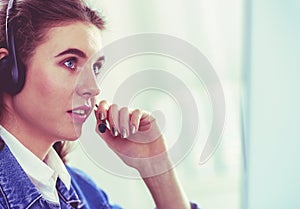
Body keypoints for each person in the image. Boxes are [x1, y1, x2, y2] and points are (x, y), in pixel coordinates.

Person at [0, 0, 200, 208]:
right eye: (70, 62)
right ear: (8, 71)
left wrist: (157, 167)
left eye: (95, 68)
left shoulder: (84, 191)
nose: (93, 89)